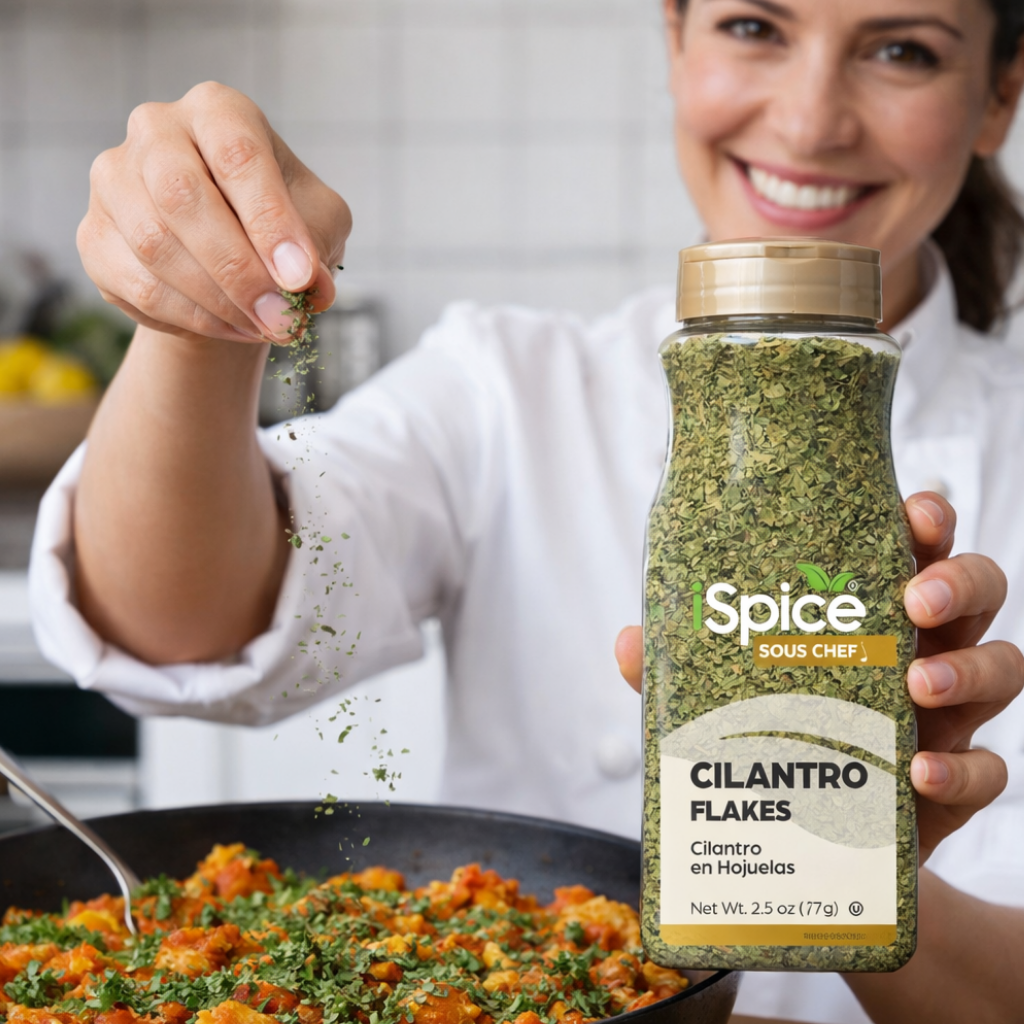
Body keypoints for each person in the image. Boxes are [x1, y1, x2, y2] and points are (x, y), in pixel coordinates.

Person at [26, 0, 1024, 1020]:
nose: (810, 122)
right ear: (674, 40)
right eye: (754, 28)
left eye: (901, 50)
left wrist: (850, 873)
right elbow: (181, 621)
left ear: (999, 95)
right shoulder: (509, 384)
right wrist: (205, 314)